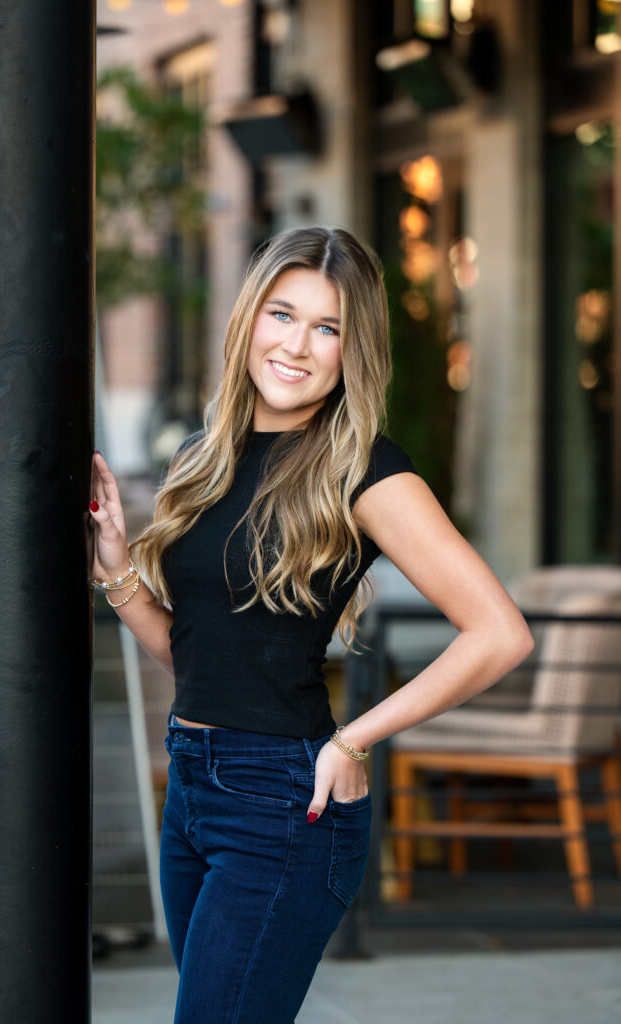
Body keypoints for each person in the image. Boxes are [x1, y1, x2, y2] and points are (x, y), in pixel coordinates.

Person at [89, 226, 534, 1023]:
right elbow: (201, 662)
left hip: (282, 805)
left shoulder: (365, 471)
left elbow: (500, 633)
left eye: (327, 328)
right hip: (192, 789)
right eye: (283, 314)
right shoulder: (204, 457)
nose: (297, 345)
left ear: (350, 351)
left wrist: (355, 739)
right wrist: (118, 571)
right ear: (249, 320)